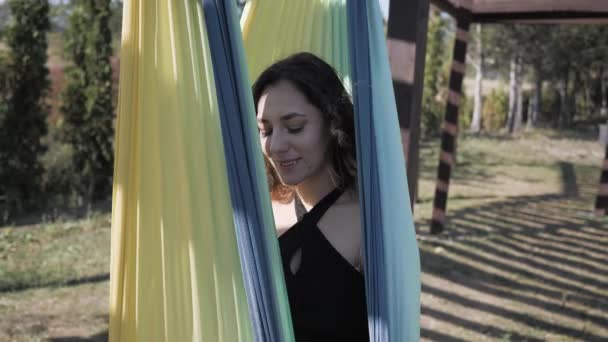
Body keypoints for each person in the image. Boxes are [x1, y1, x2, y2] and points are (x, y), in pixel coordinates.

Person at [253, 52, 369, 341]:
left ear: (333, 123)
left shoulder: (367, 223)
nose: (276, 145)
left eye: (294, 127)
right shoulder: (256, 213)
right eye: (265, 130)